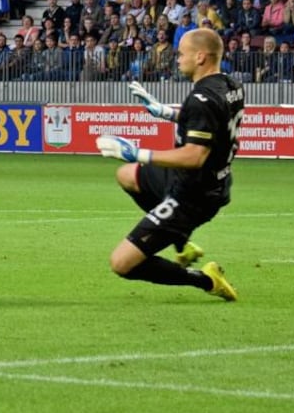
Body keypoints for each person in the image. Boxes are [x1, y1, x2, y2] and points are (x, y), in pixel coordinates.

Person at [96, 28, 244, 301]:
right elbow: (211, 125)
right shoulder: (229, 85)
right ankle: (182, 243)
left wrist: (138, 153)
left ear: (200, 57)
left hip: (193, 195)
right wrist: (165, 111)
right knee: (127, 175)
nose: (177, 59)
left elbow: (194, 155)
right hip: (200, 180)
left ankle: (206, 279)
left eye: (181, 53)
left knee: (121, 263)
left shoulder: (203, 99)